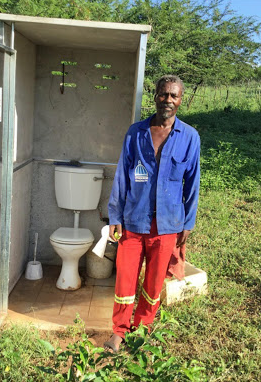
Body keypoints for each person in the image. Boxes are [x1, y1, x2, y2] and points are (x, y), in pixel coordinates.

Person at [104, 75, 201, 352]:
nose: (168, 100)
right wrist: (115, 216)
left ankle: (142, 328)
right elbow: (123, 174)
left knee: (154, 280)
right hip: (134, 220)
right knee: (125, 278)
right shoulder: (136, 133)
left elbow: (193, 182)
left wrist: (187, 222)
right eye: (163, 94)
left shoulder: (190, 137)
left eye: (174, 96)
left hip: (168, 223)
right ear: (155, 96)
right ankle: (119, 332)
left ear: (181, 100)